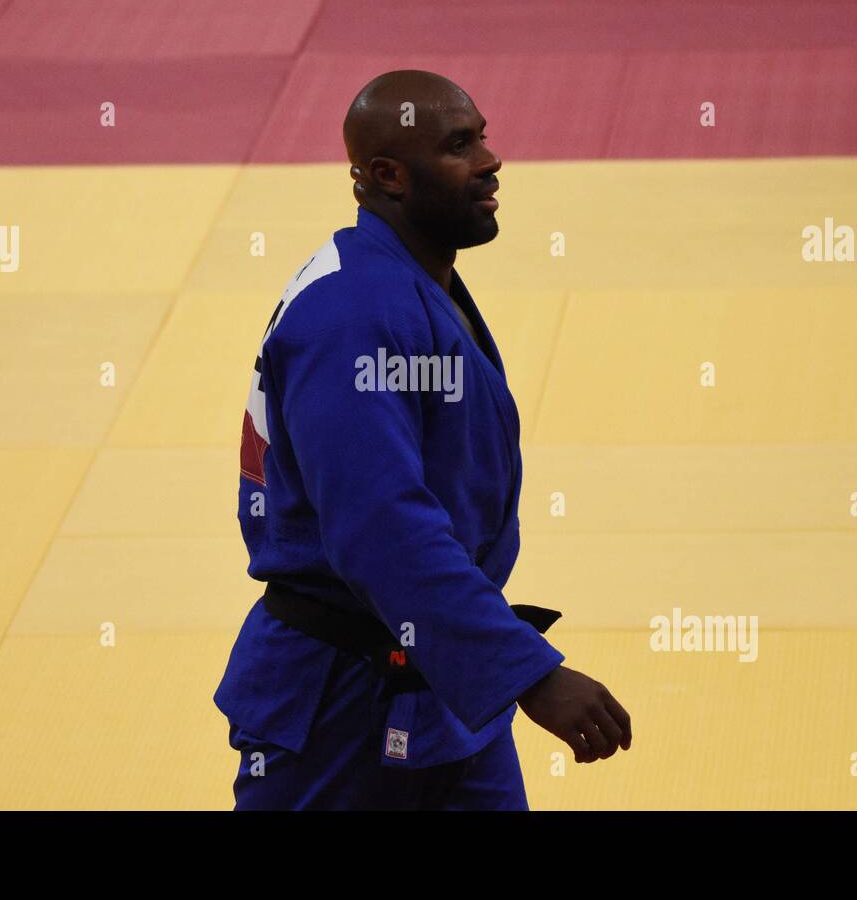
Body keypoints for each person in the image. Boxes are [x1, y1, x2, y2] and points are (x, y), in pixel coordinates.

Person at [214, 70, 632, 810]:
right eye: (460, 146)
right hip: (343, 705)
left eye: (483, 136)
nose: (490, 161)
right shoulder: (355, 315)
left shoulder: (407, 283)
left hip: (439, 675)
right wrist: (527, 672)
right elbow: (382, 529)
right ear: (387, 176)